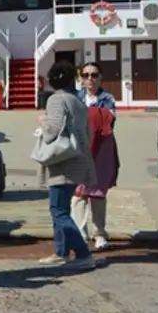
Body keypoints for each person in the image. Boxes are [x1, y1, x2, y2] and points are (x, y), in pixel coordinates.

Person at [37, 60, 98, 269]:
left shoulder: (56, 100)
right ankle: (61, 251)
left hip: (61, 161)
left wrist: (42, 124)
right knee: (62, 207)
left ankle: (83, 253)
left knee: (58, 211)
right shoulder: (78, 101)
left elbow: (52, 130)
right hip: (78, 159)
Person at [73, 61, 118, 252]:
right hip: (79, 149)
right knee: (78, 193)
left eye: (93, 75)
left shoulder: (107, 98)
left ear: (100, 78)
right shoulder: (76, 96)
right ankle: (79, 232)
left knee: (98, 194)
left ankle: (99, 233)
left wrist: (87, 117)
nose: (89, 79)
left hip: (101, 150)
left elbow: (109, 119)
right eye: (85, 75)